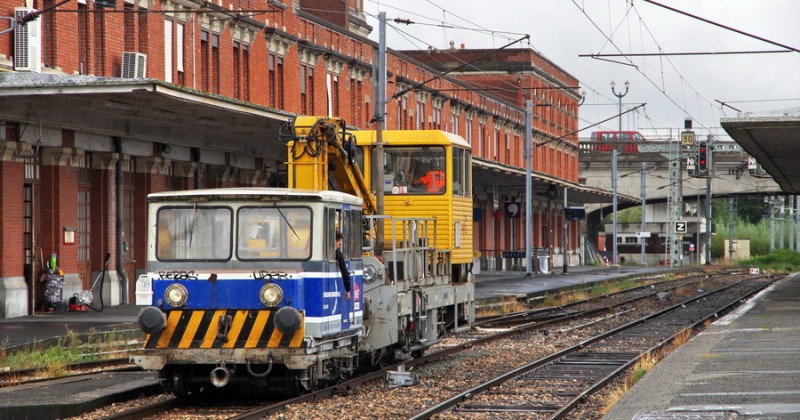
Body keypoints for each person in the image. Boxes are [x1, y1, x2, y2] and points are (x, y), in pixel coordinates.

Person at [335, 230, 351, 300]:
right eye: (339, 243)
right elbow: (344, 273)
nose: (340, 243)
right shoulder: (338, 254)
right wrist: (348, 290)